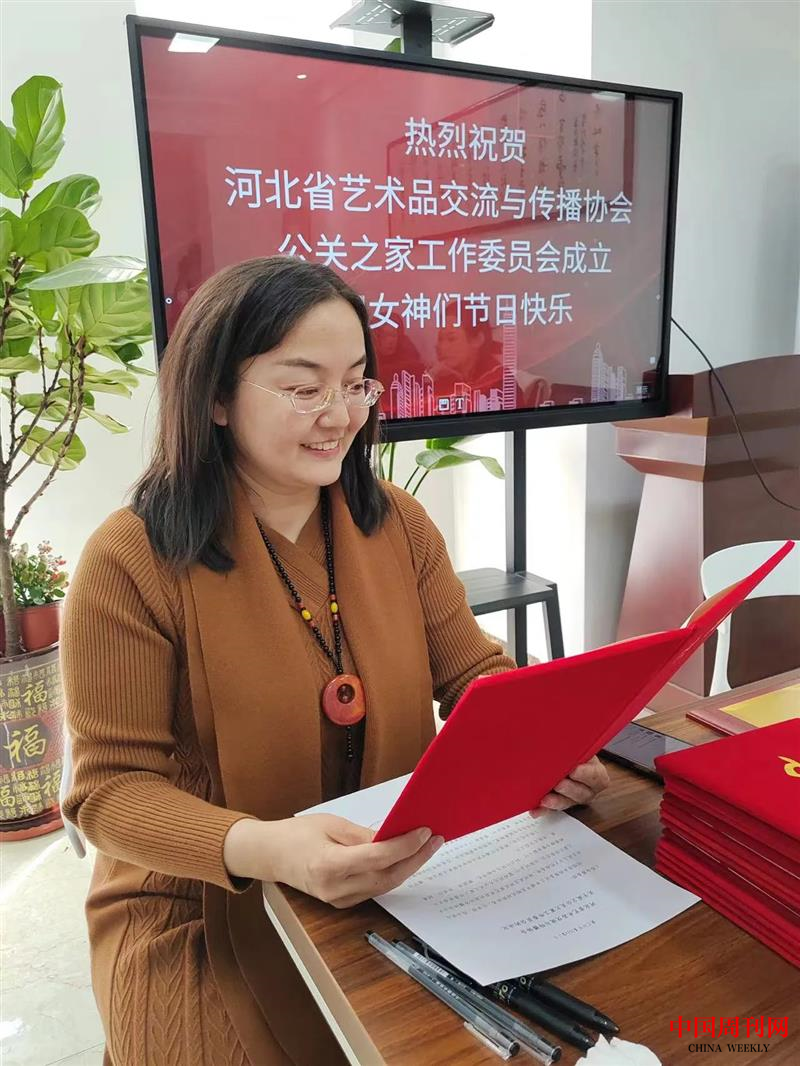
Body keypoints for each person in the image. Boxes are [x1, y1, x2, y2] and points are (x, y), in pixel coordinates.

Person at [61, 256, 609, 1066]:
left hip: (396, 875)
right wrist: (271, 848)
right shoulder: (130, 561)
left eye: (356, 384)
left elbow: (475, 677)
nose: (340, 415)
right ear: (215, 398)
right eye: (303, 387)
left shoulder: (398, 525)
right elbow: (109, 795)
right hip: (198, 902)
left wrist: (544, 746)